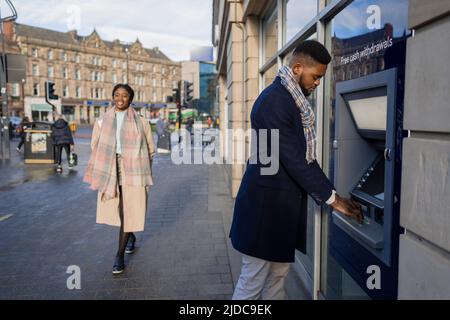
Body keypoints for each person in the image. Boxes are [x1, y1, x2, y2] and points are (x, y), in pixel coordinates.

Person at [230, 40, 363, 300]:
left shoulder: (290, 99)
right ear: (298, 67)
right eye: (316, 77)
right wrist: (334, 200)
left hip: (277, 211)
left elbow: (303, 158)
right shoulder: (276, 101)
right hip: (264, 212)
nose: (317, 83)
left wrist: (332, 193)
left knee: (277, 279)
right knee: (252, 284)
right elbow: (295, 159)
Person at [84, 84, 155, 274]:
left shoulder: (142, 122)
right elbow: (94, 145)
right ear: (113, 97)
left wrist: (144, 168)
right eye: (117, 95)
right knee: (120, 207)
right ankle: (130, 236)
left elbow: (150, 149)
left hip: (134, 169)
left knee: (128, 208)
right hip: (111, 168)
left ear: (130, 99)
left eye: (124, 96)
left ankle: (119, 255)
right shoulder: (101, 121)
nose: (120, 99)